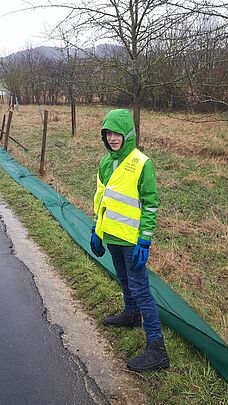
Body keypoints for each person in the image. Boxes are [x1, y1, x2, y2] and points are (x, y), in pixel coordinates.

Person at [90, 109, 169, 372]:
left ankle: (157, 349)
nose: (113, 138)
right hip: (112, 236)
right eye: (108, 133)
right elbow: (101, 200)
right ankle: (131, 314)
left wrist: (144, 240)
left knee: (141, 289)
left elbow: (150, 205)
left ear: (128, 134)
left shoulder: (142, 163)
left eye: (117, 133)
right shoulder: (104, 163)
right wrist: (96, 231)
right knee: (123, 279)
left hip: (132, 242)